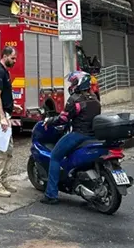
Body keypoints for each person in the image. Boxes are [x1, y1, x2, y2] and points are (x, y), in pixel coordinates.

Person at [40, 70, 102, 205]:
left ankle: (51, 194)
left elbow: (63, 118)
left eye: (73, 82)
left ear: (79, 83)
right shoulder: (95, 99)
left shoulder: (75, 99)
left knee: (55, 156)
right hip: (93, 136)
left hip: (79, 135)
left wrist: (50, 120)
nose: (72, 84)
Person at [0, 45, 20, 197]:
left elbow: (4, 95)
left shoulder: (5, 72)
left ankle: (3, 180)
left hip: (5, 114)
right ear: (5, 56)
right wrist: (2, 118)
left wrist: (13, 106)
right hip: (0, 117)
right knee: (0, 151)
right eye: (13, 58)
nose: (14, 61)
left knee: (8, 150)